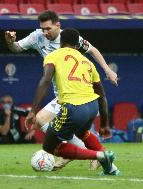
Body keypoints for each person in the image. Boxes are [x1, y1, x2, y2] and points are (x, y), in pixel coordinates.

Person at [5, 10, 118, 170]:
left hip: (75, 93)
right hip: (62, 95)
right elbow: (16, 48)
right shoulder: (37, 36)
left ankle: (85, 154)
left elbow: (93, 50)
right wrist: (10, 41)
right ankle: (85, 154)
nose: (45, 32)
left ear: (58, 25)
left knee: (70, 131)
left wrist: (108, 70)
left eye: (48, 29)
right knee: (43, 120)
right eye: (42, 28)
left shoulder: (71, 38)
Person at [26, 28, 120, 175]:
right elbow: (102, 96)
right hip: (92, 107)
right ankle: (111, 168)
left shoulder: (53, 56)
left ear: (61, 42)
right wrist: (104, 124)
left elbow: (45, 81)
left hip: (73, 107)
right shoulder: (88, 62)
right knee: (83, 132)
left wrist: (32, 111)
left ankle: (98, 156)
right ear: (78, 45)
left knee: (50, 147)